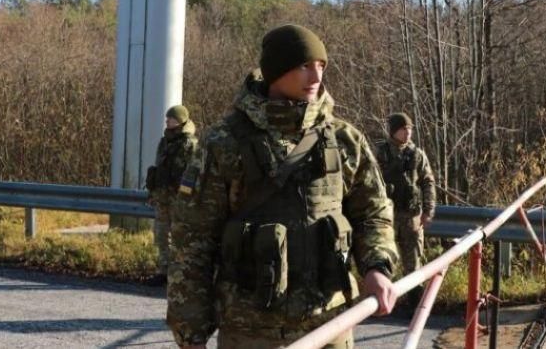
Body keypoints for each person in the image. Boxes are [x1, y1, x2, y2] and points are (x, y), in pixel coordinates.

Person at [167, 24, 399, 349]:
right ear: (276, 70)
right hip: (251, 333)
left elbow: (373, 213)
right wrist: (191, 332)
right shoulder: (224, 142)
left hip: (331, 325)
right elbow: (193, 241)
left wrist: (377, 266)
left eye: (321, 66)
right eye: (305, 65)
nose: (316, 77)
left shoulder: (345, 139)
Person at [374, 113, 436, 287]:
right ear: (394, 131)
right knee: (384, 263)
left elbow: (428, 183)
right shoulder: (381, 154)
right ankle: (383, 305)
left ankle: (415, 306)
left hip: (412, 217)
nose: (407, 132)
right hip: (387, 218)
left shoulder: (417, 155)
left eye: (410, 129)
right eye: (403, 129)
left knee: (414, 266)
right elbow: (369, 184)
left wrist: (428, 211)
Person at [145, 104, 198, 285]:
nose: (167, 121)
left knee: (179, 237)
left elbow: (193, 173)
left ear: (181, 120)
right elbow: (159, 168)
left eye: (171, 118)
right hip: (162, 196)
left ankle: (178, 274)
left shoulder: (190, 144)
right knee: (161, 235)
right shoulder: (165, 141)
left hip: (179, 198)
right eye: (167, 118)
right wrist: (153, 192)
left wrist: (186, 198)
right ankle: (163, 271)